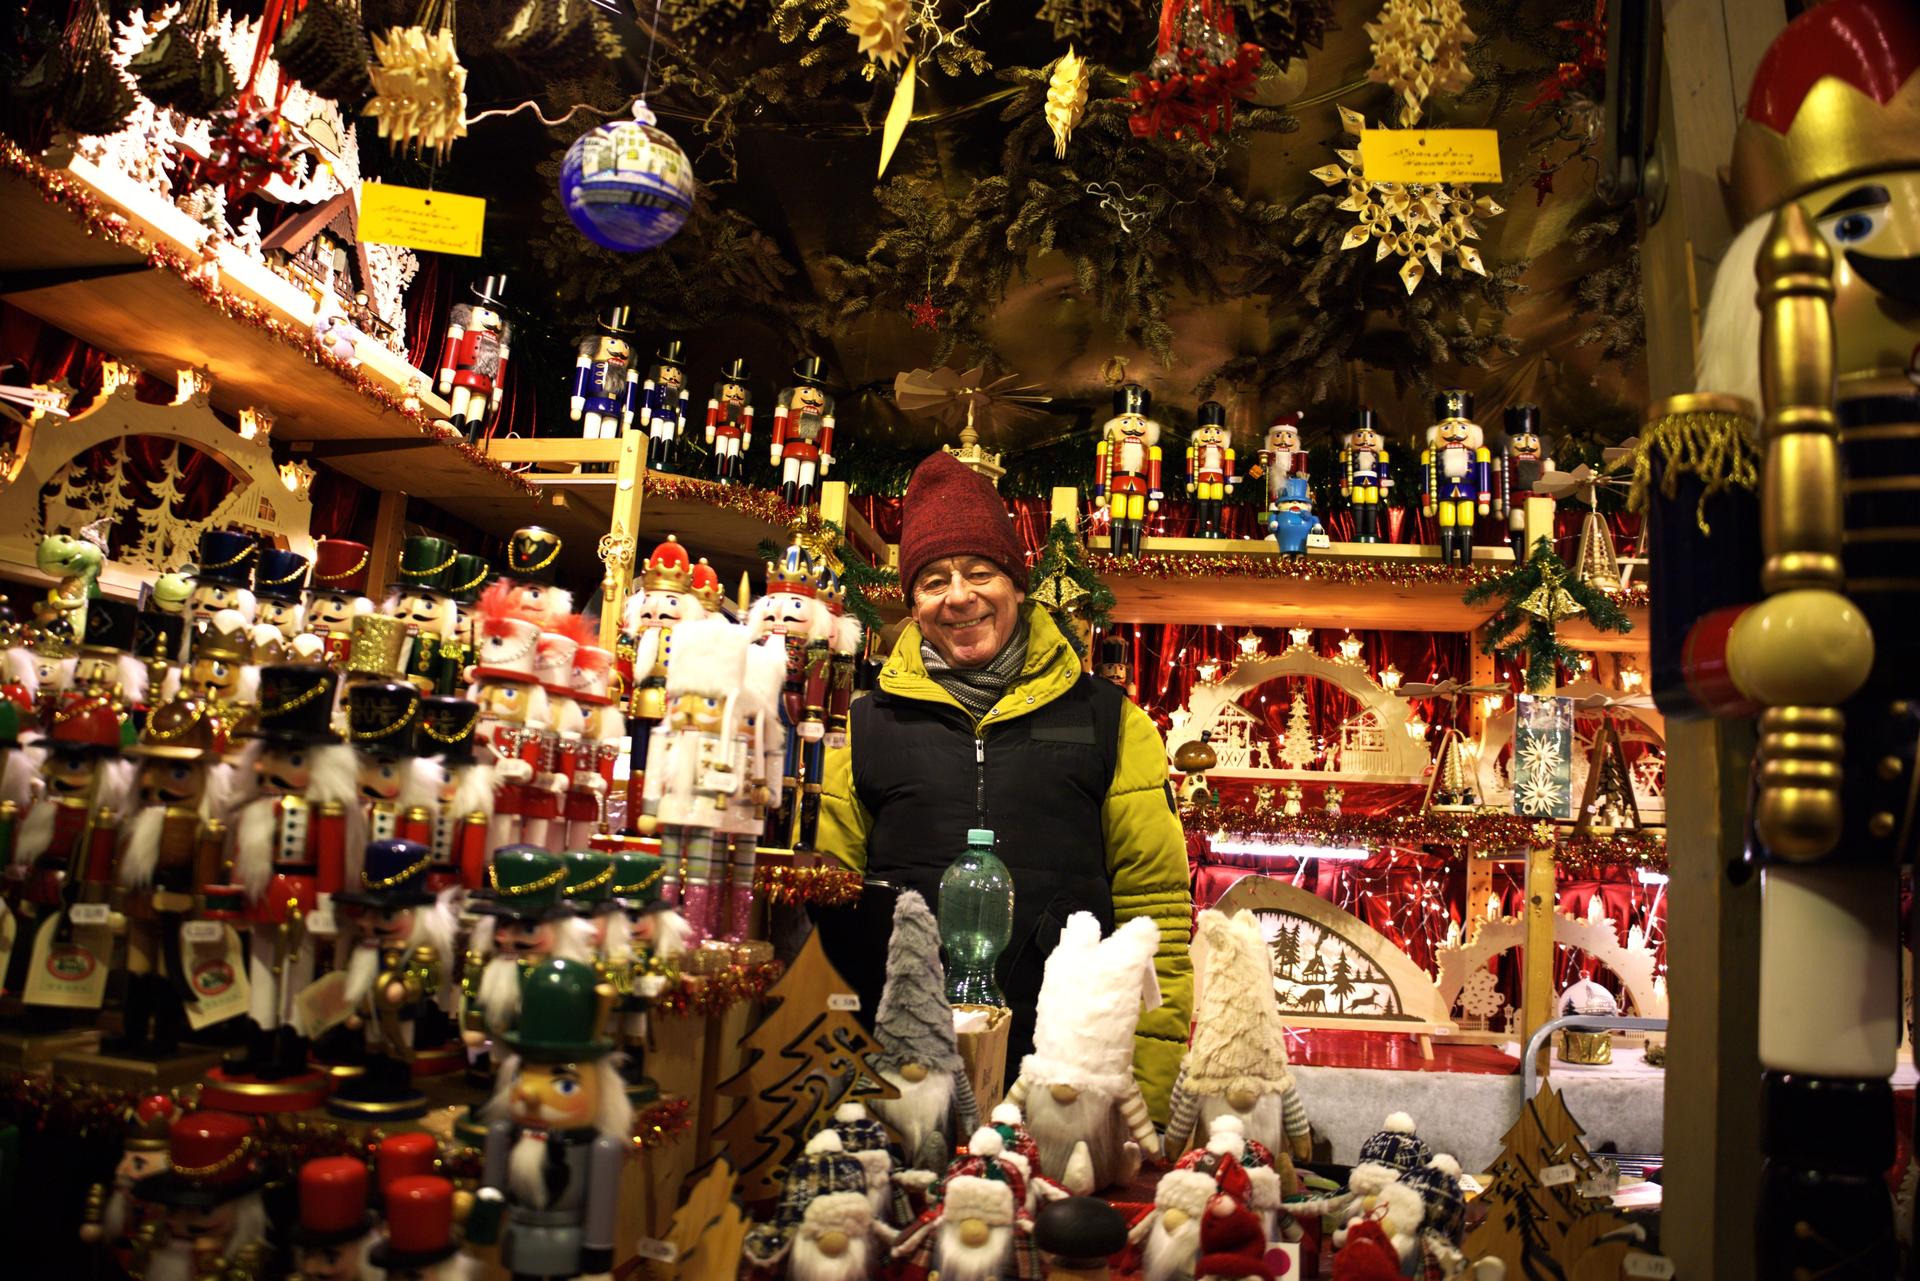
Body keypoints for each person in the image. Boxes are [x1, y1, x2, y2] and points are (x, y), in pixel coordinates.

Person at [818, 451, 1192, 1120]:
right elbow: (827, 915)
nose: (958, 595)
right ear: (913, 602)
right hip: (898, 1079)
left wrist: (1149, 1102)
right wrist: (837, 1085)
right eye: (933, 579)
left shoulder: (1111, 721)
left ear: (1018, 585)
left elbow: (1155, 916)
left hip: (1068, 1084)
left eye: (979, 571)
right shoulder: (863, 726)